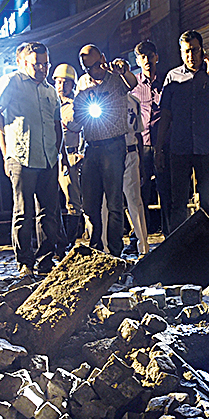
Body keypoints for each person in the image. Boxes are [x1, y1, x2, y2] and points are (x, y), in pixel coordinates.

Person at [0, 42, 65, 276]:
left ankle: (45, 259)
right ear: (22, 63)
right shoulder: (11, 82)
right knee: (24, 211)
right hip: (22, 156)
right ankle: (25, 262)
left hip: (48, 157)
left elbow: (56, 122)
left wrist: (56, 150)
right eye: (37, 64)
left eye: (45, 63)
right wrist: (10, 138)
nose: (42, 68)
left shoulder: (50, 90)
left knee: (49, 211)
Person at [154, 30, 209, 231]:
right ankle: (179, 249)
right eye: (186, 52)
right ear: (181, 53)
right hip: (179, 148)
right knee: (178, 202)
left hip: (206, 148)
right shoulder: (172, 77)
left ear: (202, 50)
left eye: (195, 50)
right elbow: (166, 115)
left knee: (208, 202)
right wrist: (159, 148)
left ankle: (206, 249)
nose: (191, 56)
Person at [68, 45, 136, 257]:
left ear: (103, 60)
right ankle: (96, 244)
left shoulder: (115, 79)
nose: (94, 71)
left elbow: (133, 83)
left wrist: (123, 69)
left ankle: (115, 250)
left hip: (114, 145)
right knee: (90, 201)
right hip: (91, 146)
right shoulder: (83, 84)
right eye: (88, 68)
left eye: (97, 65)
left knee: (114, 201)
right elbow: (77, 116)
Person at [130, 40, 164, 240]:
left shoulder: (167, 82)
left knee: (165, 189)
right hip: (141, 144)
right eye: (142, 57)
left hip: (162, 144)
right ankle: (138, 237)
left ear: (156, 57)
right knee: (140, 190)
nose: (147, 60)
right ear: (137, 60)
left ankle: (169, 234)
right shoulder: (133, 84)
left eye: (150, 55)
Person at [53, 63, 86, 251]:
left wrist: (81, 152)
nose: (62, 85)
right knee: (50, 202)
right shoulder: (50, 101)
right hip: (52, 156)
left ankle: (68, 242)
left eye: (66, 82)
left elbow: (86, 128)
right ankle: (57, 240)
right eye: (59, 81)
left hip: (72, 155)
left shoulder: (78, 105)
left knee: (73, 201)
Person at [121, 88, 149, 256]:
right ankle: (108, 248)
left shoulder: (133, 101)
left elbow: (138, 133)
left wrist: (142, 163)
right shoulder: (104, 98)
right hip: (110, 153)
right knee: (107, 204)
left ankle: (143, 246)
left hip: (131, 152)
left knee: (134, 201)